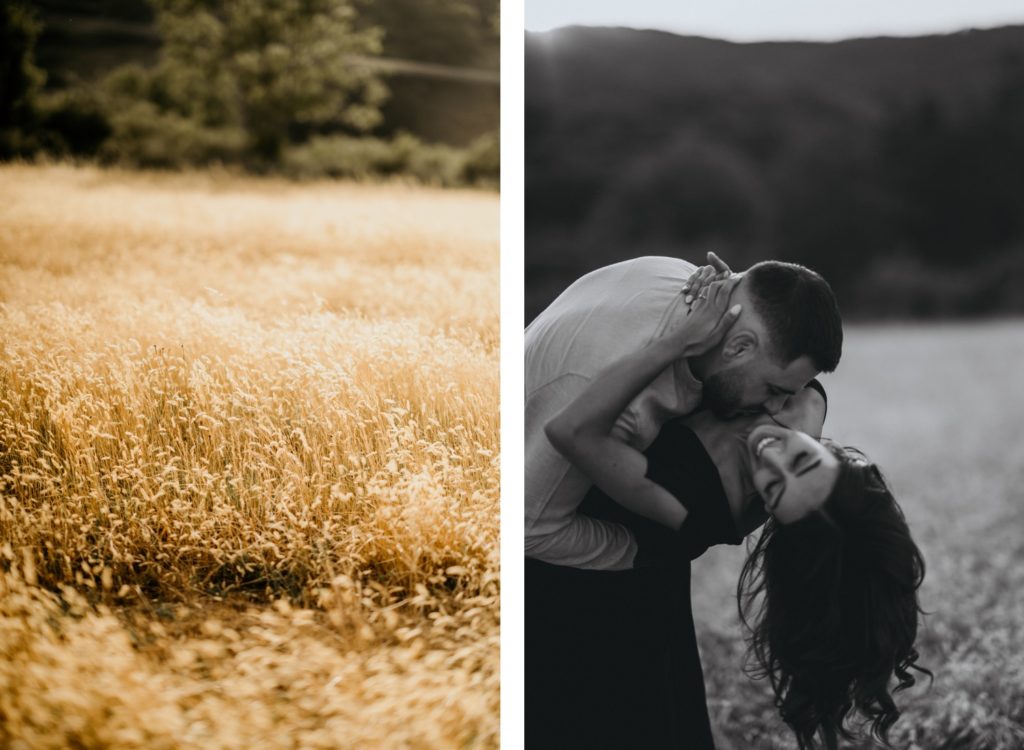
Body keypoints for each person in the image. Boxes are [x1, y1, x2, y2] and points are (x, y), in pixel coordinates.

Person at [530, 273, 930, 749]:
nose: (770, 455)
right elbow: (778, 329)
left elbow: (571, 440)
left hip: (592, 578)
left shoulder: (700, 503)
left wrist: (634, 555)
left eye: (774, 490)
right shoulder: (802, 402)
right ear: (837, 453)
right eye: (802, 458)